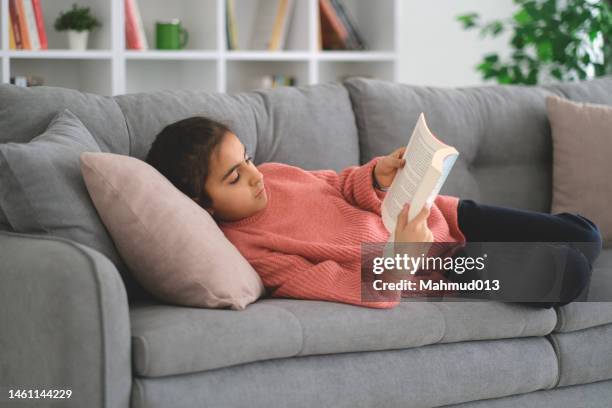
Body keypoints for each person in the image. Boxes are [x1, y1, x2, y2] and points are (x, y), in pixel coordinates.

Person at [145, 116, 603, 309]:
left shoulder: (274, 173)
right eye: (233, 177)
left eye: (245, 157)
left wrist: (378, 175)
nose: (254, 175)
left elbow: (340, 185)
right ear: (201, 204)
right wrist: (403, 254)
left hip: (446, 213)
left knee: (586, 235)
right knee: (569, 273)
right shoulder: (252, 249)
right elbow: (348, 285)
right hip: (437, 269)